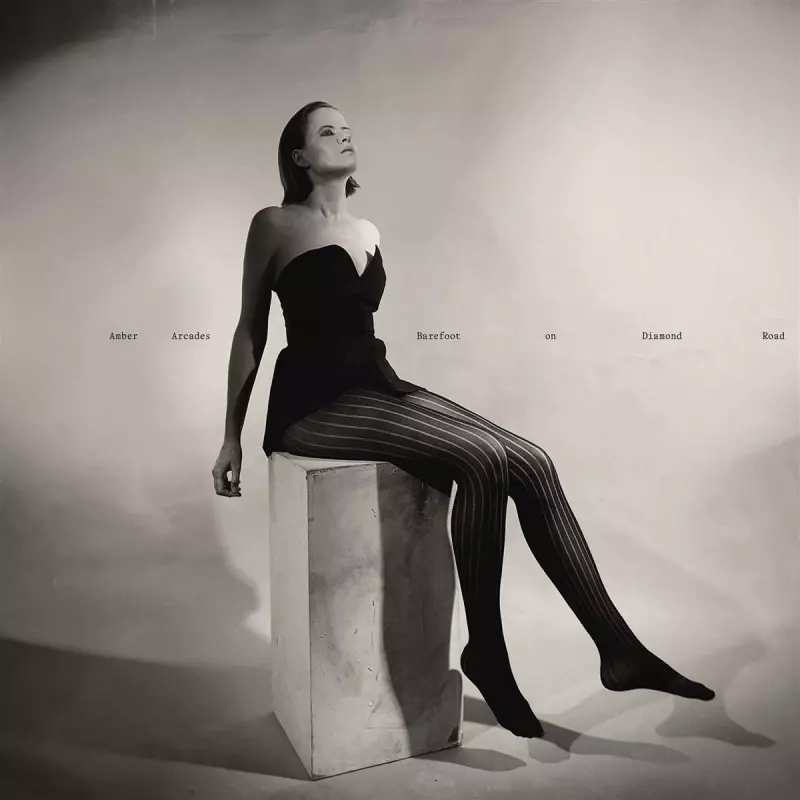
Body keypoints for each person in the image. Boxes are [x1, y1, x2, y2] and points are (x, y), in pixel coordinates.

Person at [212, 100, 715, 739]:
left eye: (347, 128)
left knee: (532, 462)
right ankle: (488, 651)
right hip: (313, 404)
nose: (343, 135)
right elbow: (250, 329)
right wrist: (230, 436)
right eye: (326, 131)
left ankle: (619, 649)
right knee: (481, 458)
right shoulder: (273, 223)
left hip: (374, 381)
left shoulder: (368, 231)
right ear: (299, 156)